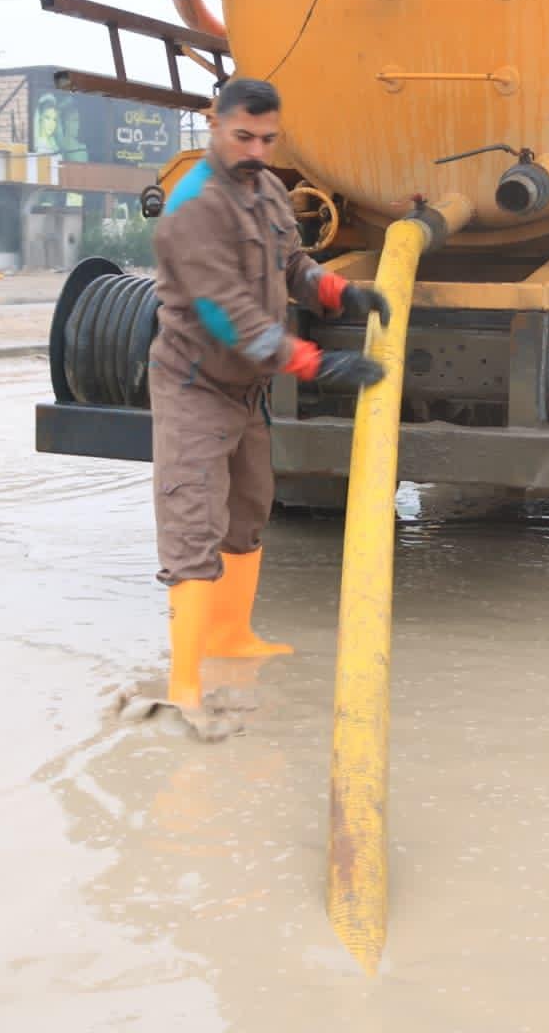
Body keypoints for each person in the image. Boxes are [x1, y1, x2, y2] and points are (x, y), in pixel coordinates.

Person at [148, 77, 388, 723]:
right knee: (193, 523)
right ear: (214, 123)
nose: (256, 150)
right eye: (243, 136)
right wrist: (317, 362)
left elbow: (293, 266)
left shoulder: (270, 191)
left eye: (268, 139)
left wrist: (338, 293)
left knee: (250, 506)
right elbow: (230, 319)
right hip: (195, 382)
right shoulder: (192, 208)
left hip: (245, 387)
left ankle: (231, 637)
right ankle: (184, 685)